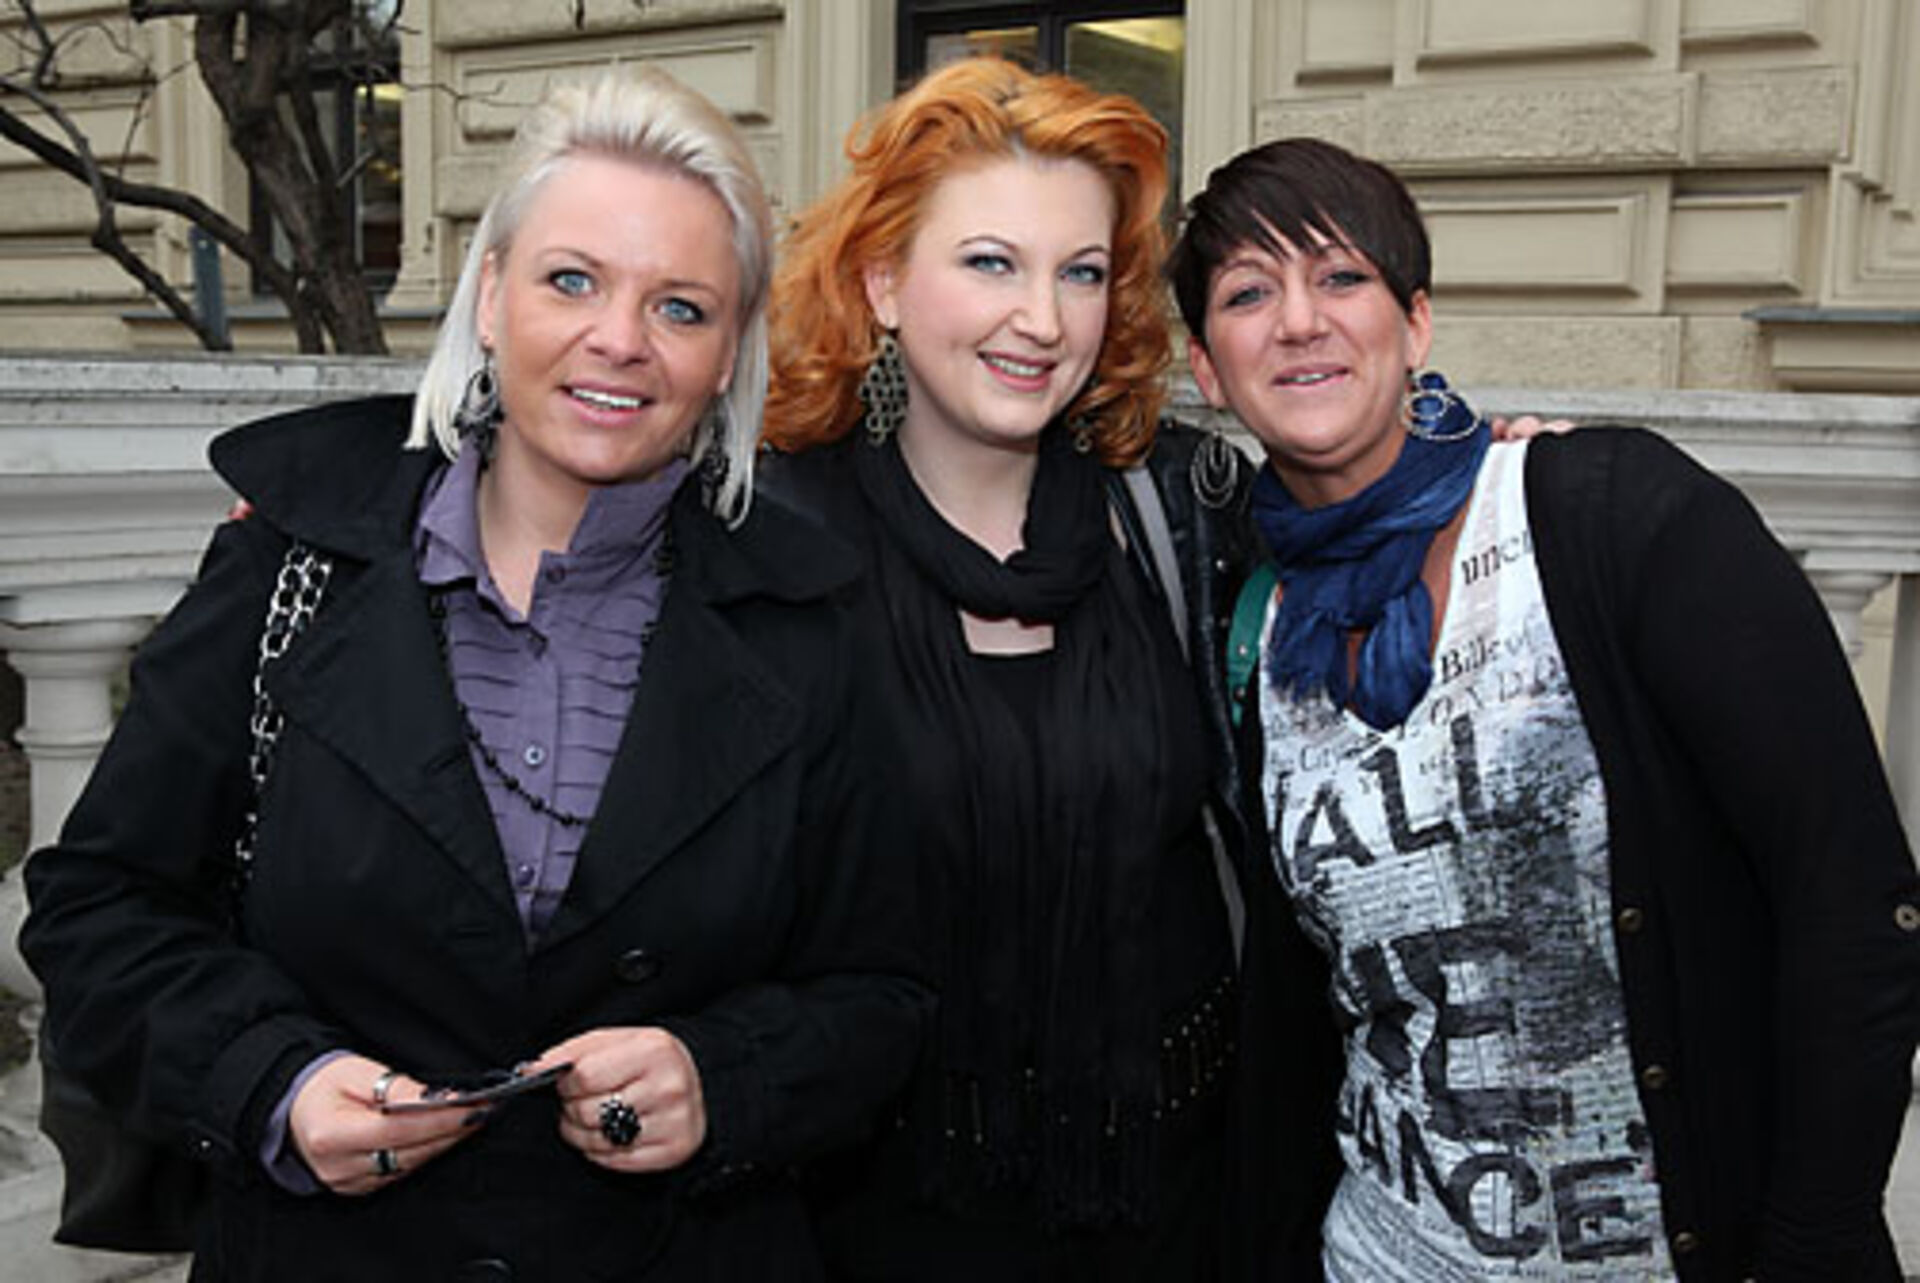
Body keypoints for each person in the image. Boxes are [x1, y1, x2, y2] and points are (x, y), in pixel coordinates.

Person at [20, 68, 928, 1281]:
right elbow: (100, 905)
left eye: (681, 307)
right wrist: (271, 1080)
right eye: (572, 280)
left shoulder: (808, 623)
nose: (620, 339)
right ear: (491, 294)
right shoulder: (291, 567)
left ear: (728, 356)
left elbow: (884, 988)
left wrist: (726, 1077)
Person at [1168, 135, 1920, 1280]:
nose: (1300, 321)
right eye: (1247, 293)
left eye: (1342, 276)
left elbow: (1852, 898)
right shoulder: (1259, 629)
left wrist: (1812, 1242)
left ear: (1415, 323)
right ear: (1209, 368)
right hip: (1373, 1254)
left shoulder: (1606, 514)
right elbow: (1301, 1010)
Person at [761, 58, 1255, 1281]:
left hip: (1172, 1198)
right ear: (881, 281)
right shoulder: (776, 543)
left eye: (1080, 272)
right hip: (877, 1212)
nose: (1043, 318)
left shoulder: (1184, 512)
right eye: (991, 262)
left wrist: (1505, 472)